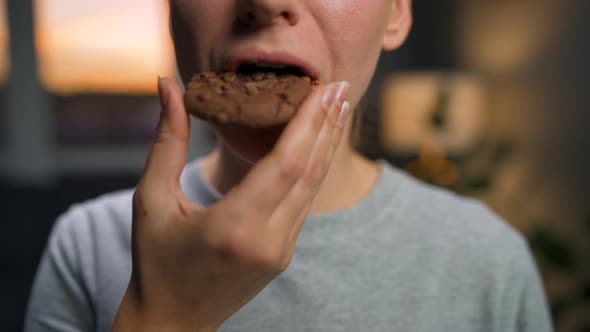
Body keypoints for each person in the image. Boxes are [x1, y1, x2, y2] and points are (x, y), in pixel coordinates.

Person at [25, 0, 554, 331]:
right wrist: (164, 316)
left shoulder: (489, 262)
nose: (266, 2)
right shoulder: (87, 247)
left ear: (396, 13)